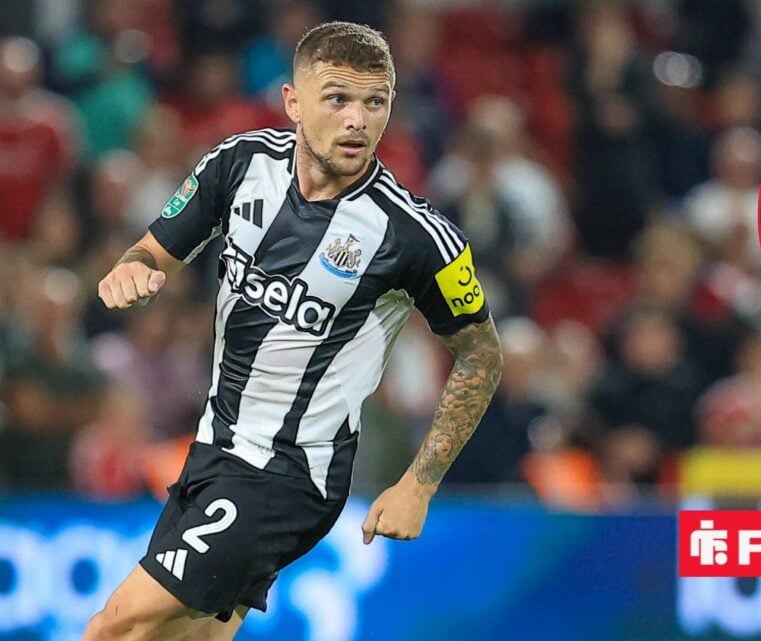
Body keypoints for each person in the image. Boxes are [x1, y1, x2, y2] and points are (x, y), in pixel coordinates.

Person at [83, 22, 503, 641]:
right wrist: (131, 271)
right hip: (214, 451)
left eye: (375, 101)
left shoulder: (414, 236)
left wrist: (420, 482)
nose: (358, 120)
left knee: (116, 626)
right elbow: (151, 252)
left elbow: (481, 357)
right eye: (337, 99)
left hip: (289, 476)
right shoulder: (238, 164)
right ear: (293, 102)